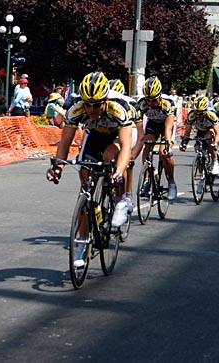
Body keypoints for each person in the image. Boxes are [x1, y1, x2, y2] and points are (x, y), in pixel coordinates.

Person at [46, 71, 133, 268]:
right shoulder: (76, 109)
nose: (91, 109)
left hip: (116, 137)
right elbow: (65, 142)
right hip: (94, 136)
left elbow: (126, 146)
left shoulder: (119, 109)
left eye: (96, 104)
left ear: (105, 100)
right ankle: (82, 242)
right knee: (85, 186)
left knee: (112, 159)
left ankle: (120, 200)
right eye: (88, 104)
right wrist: (58, 167)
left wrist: (119, 170)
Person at [137, 76, 178, 201]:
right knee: (147, 145)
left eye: (154, 100)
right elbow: (138, 127)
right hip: (153, 124)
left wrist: (167, 143)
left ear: (160, 95)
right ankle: (148, 178)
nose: (151, 103)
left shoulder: (168, 103)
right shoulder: (142, 104)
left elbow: (168, 128)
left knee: (163, 152)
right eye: (148, 100)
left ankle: (171, 182)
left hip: (167, 124)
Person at [108, 78, 142, 213]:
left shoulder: (130, 105)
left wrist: (133, 154)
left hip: (128, 129)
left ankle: (126, 195)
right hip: (108, 129)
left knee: (125, 161)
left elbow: (140, 133)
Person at [179, 95, 219, 176]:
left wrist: (215, 143)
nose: (198, 116)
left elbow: (218, 132)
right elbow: (187, 132)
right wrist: (184, 144)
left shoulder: (211, 115)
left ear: (206, 111)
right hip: (200, 130)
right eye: (196, 113)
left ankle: (215, 161)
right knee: (198, 150)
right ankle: (201, 177)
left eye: (201, 113)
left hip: (211, 128)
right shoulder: (191, 115)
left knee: (208, 139)